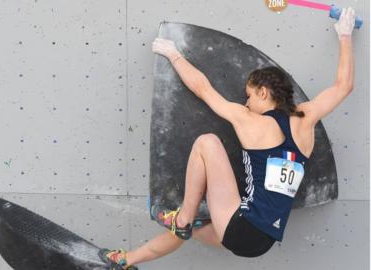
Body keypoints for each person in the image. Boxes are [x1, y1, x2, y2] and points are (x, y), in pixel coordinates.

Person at [99, 7, 356, 270]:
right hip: (265, 239)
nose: (246, 101)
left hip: (241, 227)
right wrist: (345, 35)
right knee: (188, 234)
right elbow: (343, 86)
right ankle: (126, 261)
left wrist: (174, 55)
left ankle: (183, 216)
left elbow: (203, 89)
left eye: (249, 95)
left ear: (264, 92)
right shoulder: (307, 118)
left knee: (206, 143)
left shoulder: (248, 119)